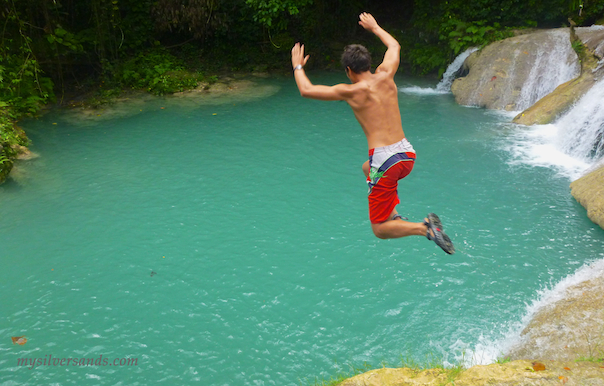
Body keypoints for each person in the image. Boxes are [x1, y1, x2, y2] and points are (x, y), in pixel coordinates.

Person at [291, 12, 454, 254]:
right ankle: (395, 216)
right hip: (407, 154)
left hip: (386, 162)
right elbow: (394, 45)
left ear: (348, 70)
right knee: (367, 168)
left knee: (379, 229)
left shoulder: (352, 91)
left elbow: (306, 90)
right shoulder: (386, 74)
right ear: (368, 63)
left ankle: (425, 229)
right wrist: (375, 27)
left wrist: (297, 65)